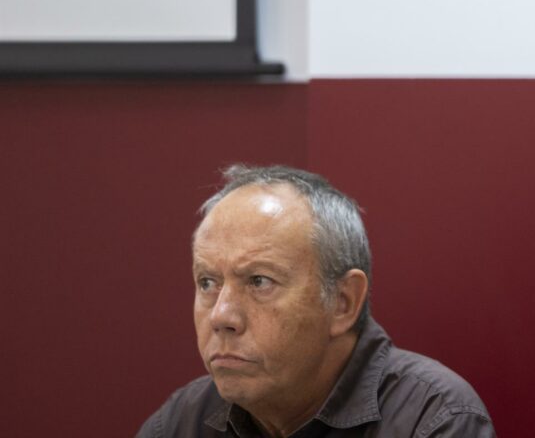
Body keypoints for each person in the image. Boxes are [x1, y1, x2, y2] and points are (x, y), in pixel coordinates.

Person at [137, 165, 495, 438]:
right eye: (207, 282)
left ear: (343, 302)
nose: (221, 316)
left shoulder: (432, 419)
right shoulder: (181, 422)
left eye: (259, 281)